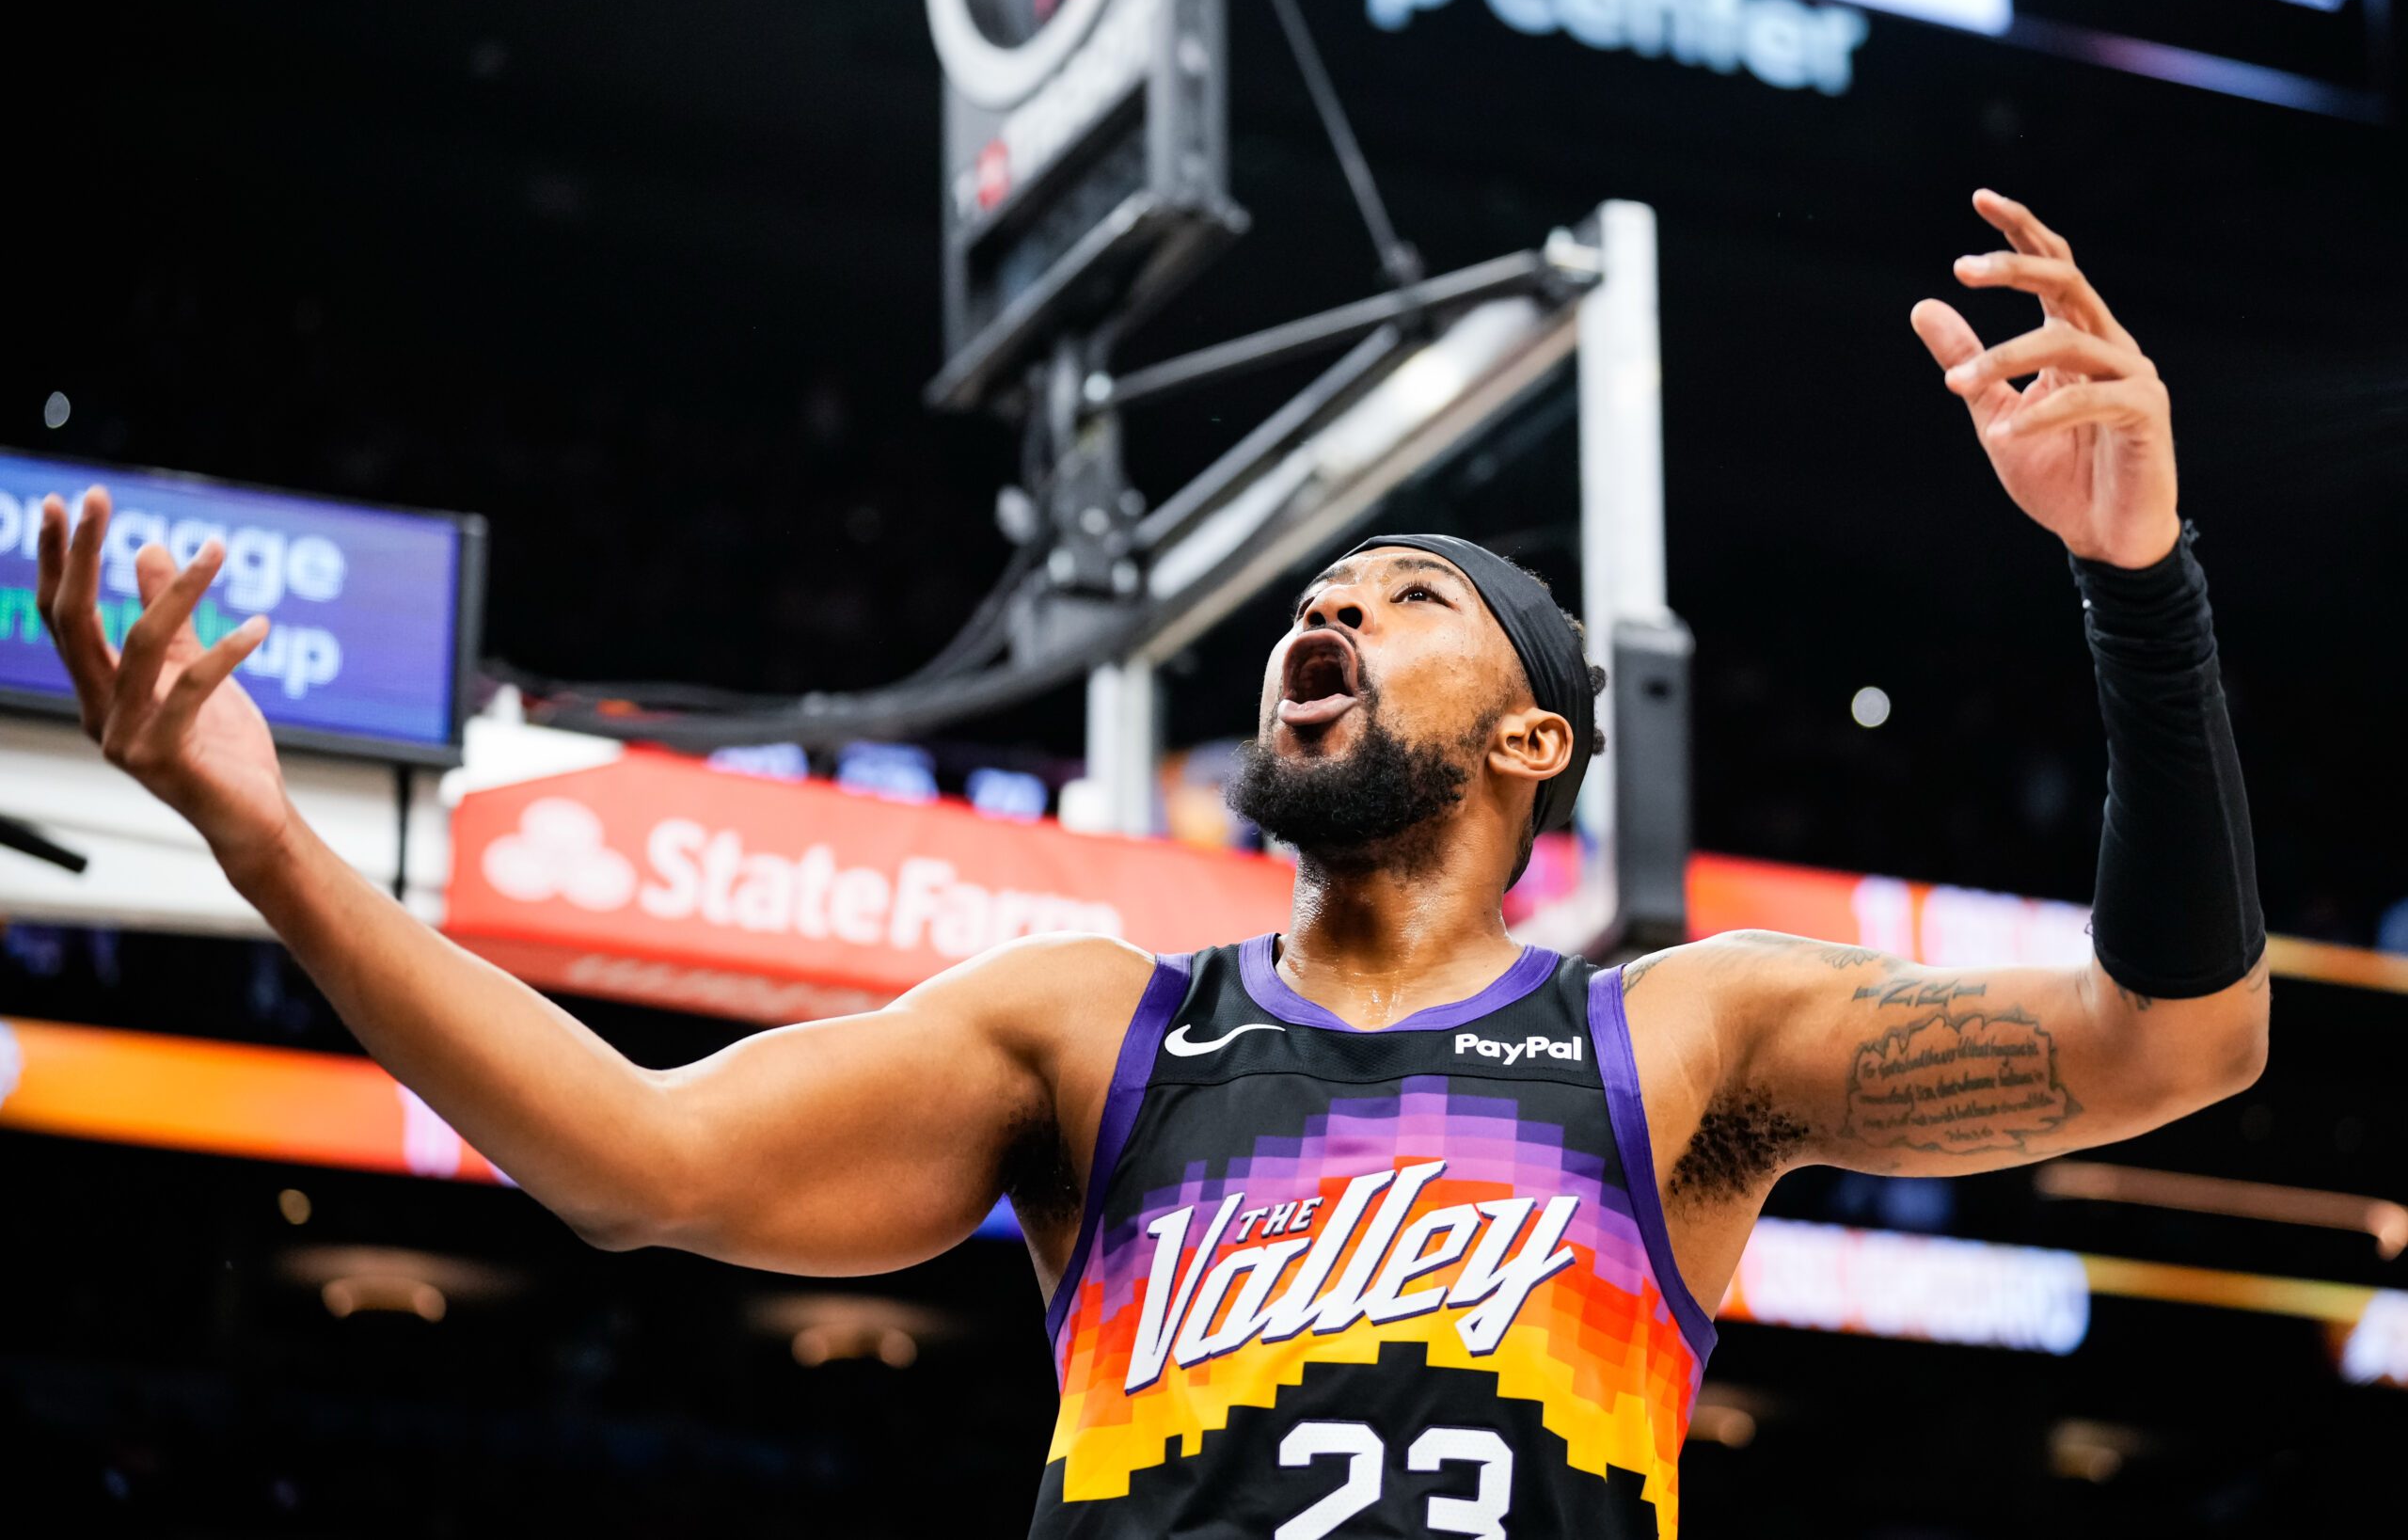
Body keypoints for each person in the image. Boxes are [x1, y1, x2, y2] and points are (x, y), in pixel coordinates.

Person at [32, 191, 2267, 1538]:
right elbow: (631, 1160)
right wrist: (265, 836)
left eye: (1400, 599)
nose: (1323, 610)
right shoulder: (1092, 1029)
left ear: (1529, 734)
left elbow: (2179, 1039)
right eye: (1318, 597)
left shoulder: (1675, 1036)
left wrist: (2136, 580)